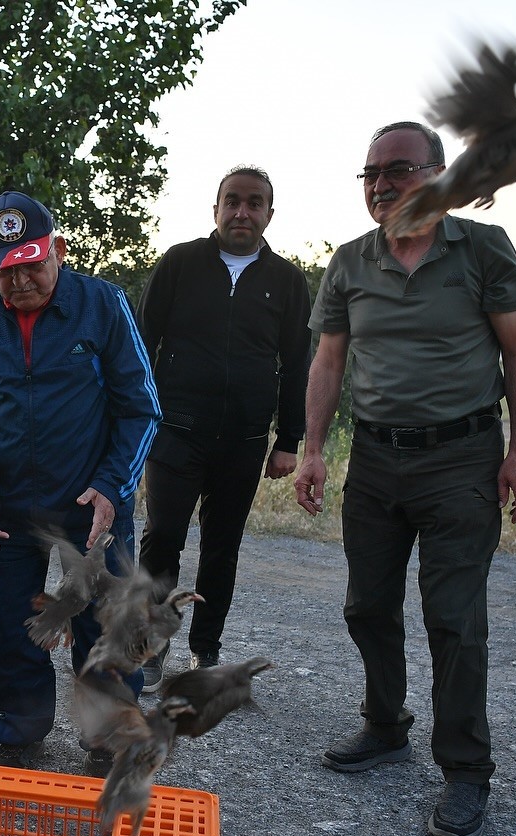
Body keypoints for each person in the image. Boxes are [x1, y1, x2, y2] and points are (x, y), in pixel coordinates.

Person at [292, 122, 516, 836]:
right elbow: (329, 363)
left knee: (454, 619)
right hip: (374, 459)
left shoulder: (483, 249)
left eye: (397, 169)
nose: (380, 184)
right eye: (369, 174)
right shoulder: (349, 262)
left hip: (461, 458)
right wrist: (312, 449)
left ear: (437, 173)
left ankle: (466, 770)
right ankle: (384, 725)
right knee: (366, 605)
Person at [0, 191, 161, 773]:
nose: (21, 281)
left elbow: (141, 407)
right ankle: (21, 730)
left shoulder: (103, 304)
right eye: (6, 270)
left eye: (33, 262)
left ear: (58, 250)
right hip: (6, 503)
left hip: (93, 504)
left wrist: (113, 485)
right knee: (12, 621)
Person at [136, 166, 311, 689]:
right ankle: (150, 649)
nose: (242, 211)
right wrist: (138, 421)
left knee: (222, 547)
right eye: (232, 201)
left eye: (254, 203)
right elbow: (143, 343)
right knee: (162, 539)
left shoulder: (286, 281)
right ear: (215, 209)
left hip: (244, 441)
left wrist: (288, 440)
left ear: (268, 215)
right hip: (175, 431)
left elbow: (298, 362)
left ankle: (204, 650)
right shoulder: (181, 263)